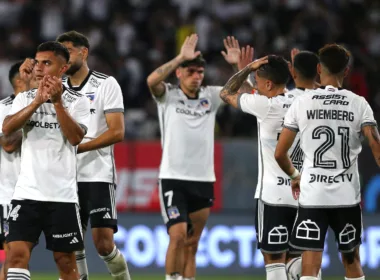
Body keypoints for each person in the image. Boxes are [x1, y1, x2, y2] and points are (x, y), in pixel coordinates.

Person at [146, 34, 250, 280]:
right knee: (178, 235)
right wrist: (180, 57)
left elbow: (248, 95)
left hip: (203, 179)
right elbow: (152, 80)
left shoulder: (211, 96)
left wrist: (239, 67)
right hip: (173, 177)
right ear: (179, 73)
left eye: (200, 72)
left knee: (192, 243)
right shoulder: (168, 95)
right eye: (191, 71)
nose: (196, 76)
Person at [275, 43, 379, 280]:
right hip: (346, 197)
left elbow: (280, 153)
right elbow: (377, 151)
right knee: (352, 261)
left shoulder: (302, 103)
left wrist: (295, 177)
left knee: (310, 265)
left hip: (313, 195)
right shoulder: (359, 104)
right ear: (346, 71)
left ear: (319, 69)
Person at [2, 41, 90, 280]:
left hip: (62, 196)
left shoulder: (78, 101)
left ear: (62, 69)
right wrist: (37, 102)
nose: (39, 67)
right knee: (16, 257)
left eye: (47, 63)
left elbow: (74, 138)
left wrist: (57, 102)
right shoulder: (25, 98)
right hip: (27, 193)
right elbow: (8, 129)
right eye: (37, 62)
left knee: (65, 262)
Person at [220, 54, 306, 280]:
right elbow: (255, 93)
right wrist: (248, 73)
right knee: (296, 258)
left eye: (257, 81)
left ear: (268, 84)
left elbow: (226, 93)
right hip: (302, 194)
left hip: (272, 196)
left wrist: (247, 67)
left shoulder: (266, 106)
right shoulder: (301, 101)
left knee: (274, 260)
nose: (255, 86)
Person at [56, 30, 129, 280]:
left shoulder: (106, 84)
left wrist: (77, 148)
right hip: (64, 177)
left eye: (67, 51)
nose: (62, 58)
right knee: (71, 245)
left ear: (83, 52)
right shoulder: (57, 88)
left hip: (97, 173)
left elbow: (117, 131)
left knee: (104, 244)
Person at [283, 49, 320, 279]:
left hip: (285, 184)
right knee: (311, 250)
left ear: (292, 72)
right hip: (319, 185)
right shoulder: (332, 99)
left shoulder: (283, 99)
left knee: (283, 257)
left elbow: (255, 91)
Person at [0, 61, 31, 280]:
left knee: (18, 256)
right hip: (8, 195)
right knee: (13, 255)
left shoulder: (42, 105)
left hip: (36, 194)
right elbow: (8, 144)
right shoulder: (3, 108)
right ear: (20, 79)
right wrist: (32, 129)